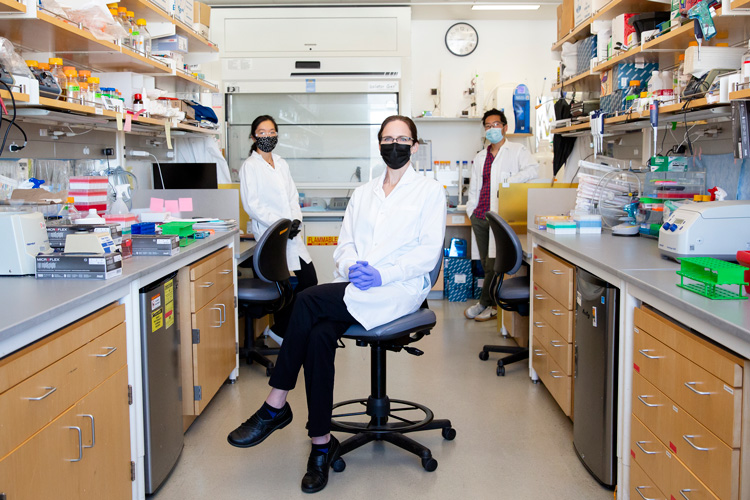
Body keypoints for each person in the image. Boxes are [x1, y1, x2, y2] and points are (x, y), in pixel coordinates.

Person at [227, 115, 446, 494]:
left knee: (308, 300)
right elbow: (344, 245)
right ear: (379, 144)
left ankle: (275, 403)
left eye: (403, 139)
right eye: (388, 138)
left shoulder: (429, 192)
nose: (395, 145)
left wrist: (382, 275)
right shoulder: (363, 194)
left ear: (414, 144)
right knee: (317, 335)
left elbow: (427, 255)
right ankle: (320, 446)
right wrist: (351, 266)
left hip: (398, 291)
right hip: (358, 286)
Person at [239, 115, 318, 341]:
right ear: (253, 136)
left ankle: (281, 330)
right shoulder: (250, 166)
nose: (267, 136)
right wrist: (281, 224)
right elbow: (252, 205)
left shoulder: (282, 163)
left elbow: (292, 196)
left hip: (290, 235)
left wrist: (295, 221)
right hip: (271, 236)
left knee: (308, 281)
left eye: (272, 132)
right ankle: (284, 332)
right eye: (262, 132)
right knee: (283, 288)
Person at [464, 109, 538, 322]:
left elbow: (533, 171)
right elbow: (476, 187)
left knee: (496, 263)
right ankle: (487, 303)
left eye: (496, 124)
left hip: (501, 218)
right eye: (488, 126)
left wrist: (510, 181)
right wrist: (471, 211)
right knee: (487, 263)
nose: (492, 129)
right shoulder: (480, 157)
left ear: (505, 127)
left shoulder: (517, 151)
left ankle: (487, 303)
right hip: (480, 215)